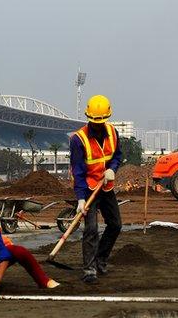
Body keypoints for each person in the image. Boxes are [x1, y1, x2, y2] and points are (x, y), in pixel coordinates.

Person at [70, 94, 123, 283]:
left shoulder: (113, 133)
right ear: (88, 118)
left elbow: (117, 156)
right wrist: (81, 198)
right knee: (91, 229)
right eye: (94, 121)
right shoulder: (78, 139)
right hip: (88, 189)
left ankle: (100, 259)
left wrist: (112, 168)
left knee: (115, 224)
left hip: (106, 187)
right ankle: (89, 270)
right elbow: (77, 171)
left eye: (101, 121)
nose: (98, 125)